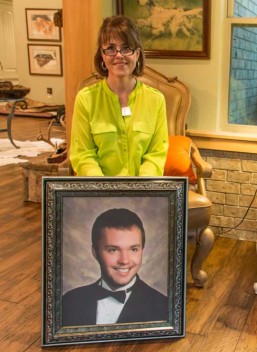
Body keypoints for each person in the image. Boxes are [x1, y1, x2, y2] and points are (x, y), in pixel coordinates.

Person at [69, 15, 168, 177]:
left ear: (137, 54)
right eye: (111, 48)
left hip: (143, 194)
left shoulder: (156, 100)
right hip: (99, 194)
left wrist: (141, 188)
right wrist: (104, 189)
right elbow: (83, 155)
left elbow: (156, 154)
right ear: (102, 54)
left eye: (126, 48)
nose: (119, 55)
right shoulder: (85, 99)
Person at [62, 208, 168, 326]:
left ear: (142, 250)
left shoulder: (163, 307)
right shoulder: (69, 301)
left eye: (133, 249)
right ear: (95, 252)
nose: (124, 260)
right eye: (113, 250)